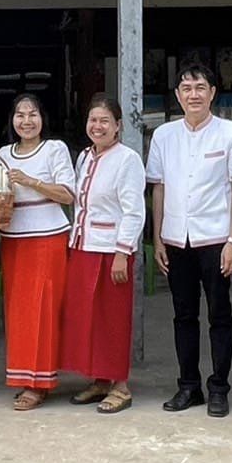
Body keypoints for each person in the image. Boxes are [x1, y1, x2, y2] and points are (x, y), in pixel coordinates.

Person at [145, 62, 232, 418]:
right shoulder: (164, 135)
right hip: (177, 239)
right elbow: (158, 190)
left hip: (216, 239)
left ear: (212, 93)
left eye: (200, 87)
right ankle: (188, 385)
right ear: (178, 96)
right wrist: (158, 237)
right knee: (183, 316)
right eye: (186, 88)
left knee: (220, 315)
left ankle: (219, 388)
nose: (193, 94)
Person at [60, 96, 145, 414]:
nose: (98, 126)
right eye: (93, 120)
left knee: (112, 320)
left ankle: (120, 385)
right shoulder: (84, 156)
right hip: (83, 247)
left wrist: (123, 251)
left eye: (105, 121)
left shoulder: (127, 159)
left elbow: (134, 211)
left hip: (111, 250)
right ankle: (99, 379)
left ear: (118, 126)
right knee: (88, 318)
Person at [0, 93, 75, 410]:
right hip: (13, 237)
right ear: (12, 120)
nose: (26, 121)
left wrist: (32, 182)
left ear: (42, 118)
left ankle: (39, 383)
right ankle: (22, 378)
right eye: (20, 114)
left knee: (42, 309)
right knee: (18, 310)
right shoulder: (3, 153)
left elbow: (68, 195)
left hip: (47, 237)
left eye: (32, 114)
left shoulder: (54, 150)